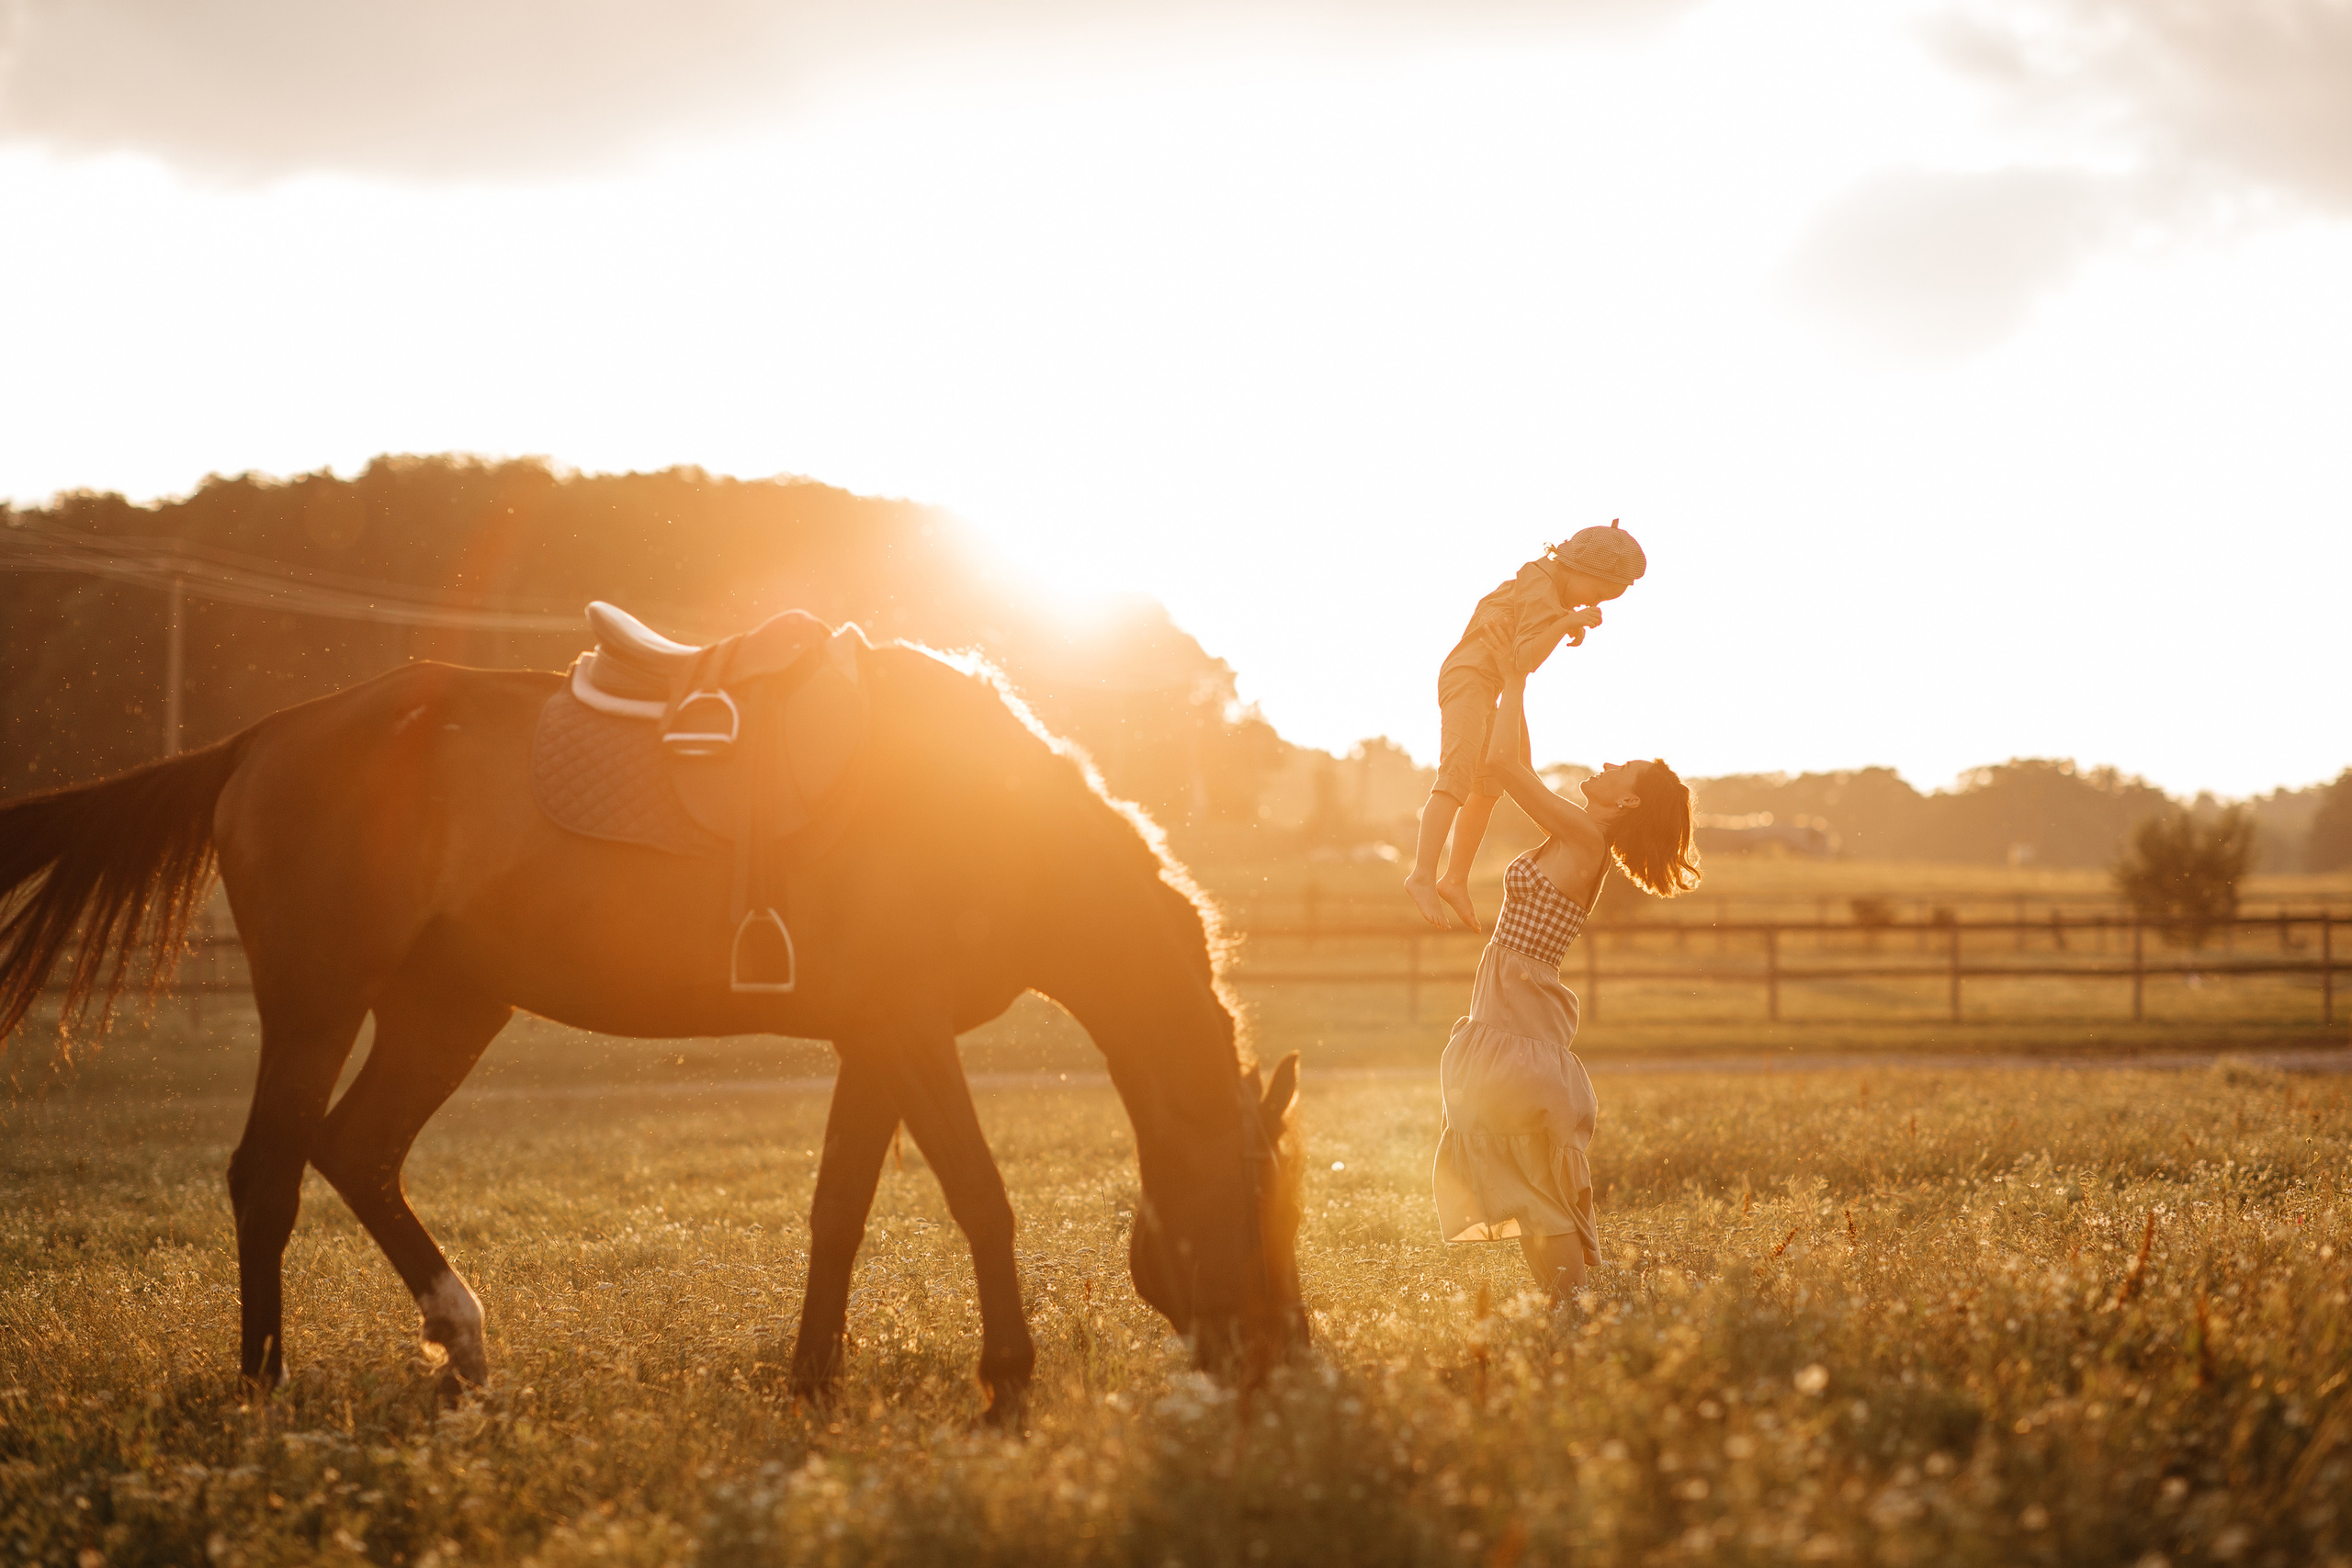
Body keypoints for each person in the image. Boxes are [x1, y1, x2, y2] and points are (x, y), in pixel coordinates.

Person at [1430, 663, 1699, 1298]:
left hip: (1519, 1015)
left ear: (1627, 802)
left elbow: (1503, 766)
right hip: (1511, 1006)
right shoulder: (1573, 831)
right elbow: (1516, 761)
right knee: (1522, 1173)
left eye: (1621, 768)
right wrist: (1513, 683)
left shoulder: (1584, 838)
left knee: (1532, 1178)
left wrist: (1516, 678)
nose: (1607, 764)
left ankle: (1572, 1308)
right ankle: (1567, 1310)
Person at [1402, 521, 1647, 932]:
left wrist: (1565, 620)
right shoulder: (1539, 583)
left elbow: (1529, 629)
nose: (1595, 603)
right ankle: (1422, 874)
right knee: (1457, 773)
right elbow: (1523, 660)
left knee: (1488, 785)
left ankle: (1454, 878)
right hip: (1469, 678)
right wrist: (1565, 624)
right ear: (1581, 569)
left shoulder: (1546, 587)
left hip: (1488, 686)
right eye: (1598, 593)